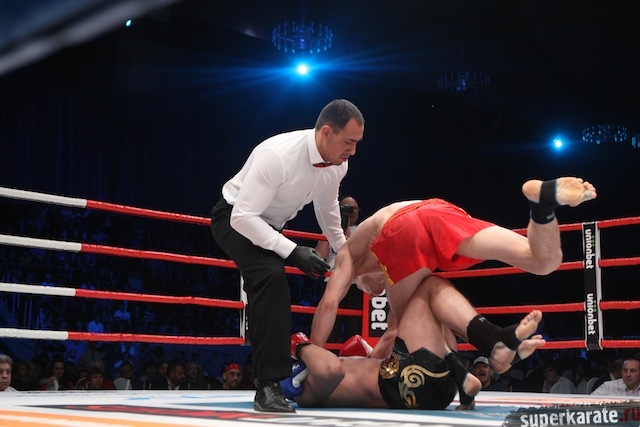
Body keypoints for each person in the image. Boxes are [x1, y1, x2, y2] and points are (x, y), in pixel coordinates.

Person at [311, 176, 596, 373]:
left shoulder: (348, 255)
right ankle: (541, 206)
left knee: (413, 335)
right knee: (543, 261)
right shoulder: (386, 255)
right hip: (440, 210)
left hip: (403, 225)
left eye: (367, 289)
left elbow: (329, 304)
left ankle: (477, 361)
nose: (377, 292)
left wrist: (312, 357)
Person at [210, 99, 365, 413]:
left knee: (270, 281)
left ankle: (275, 376)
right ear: (326, 132)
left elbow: (327, 208)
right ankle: (268, 387)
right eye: (349, 142)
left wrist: (345, 251)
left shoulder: (338, 164)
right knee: (270, 276)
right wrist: (293, 251)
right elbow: (243, 218)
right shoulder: (278, 155)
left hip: (270, 225)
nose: (352, 151)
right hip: (235, 218)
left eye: (357, 143)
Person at [285, 275, 544, 410]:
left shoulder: (334, 380)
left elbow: (382, 350)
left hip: (427, 389)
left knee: (436, 310)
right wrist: (298, 343)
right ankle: (490, 347)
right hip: (405, 382)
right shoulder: (307, 392)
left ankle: (464, 377)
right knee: (429, 287)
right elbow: (330, 367)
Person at [316, 195, 362, 342]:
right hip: (332, 279)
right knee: (331, 328)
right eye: (346, 209)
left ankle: (353, 356)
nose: (350, 212)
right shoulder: (330, 229)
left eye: (353, 209)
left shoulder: (361, 230)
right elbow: (319, 256)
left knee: (353, 327)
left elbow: (355, 252)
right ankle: (327, 355)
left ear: (358, 211)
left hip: (354, 283)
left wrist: (346, 228)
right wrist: (329, 230)